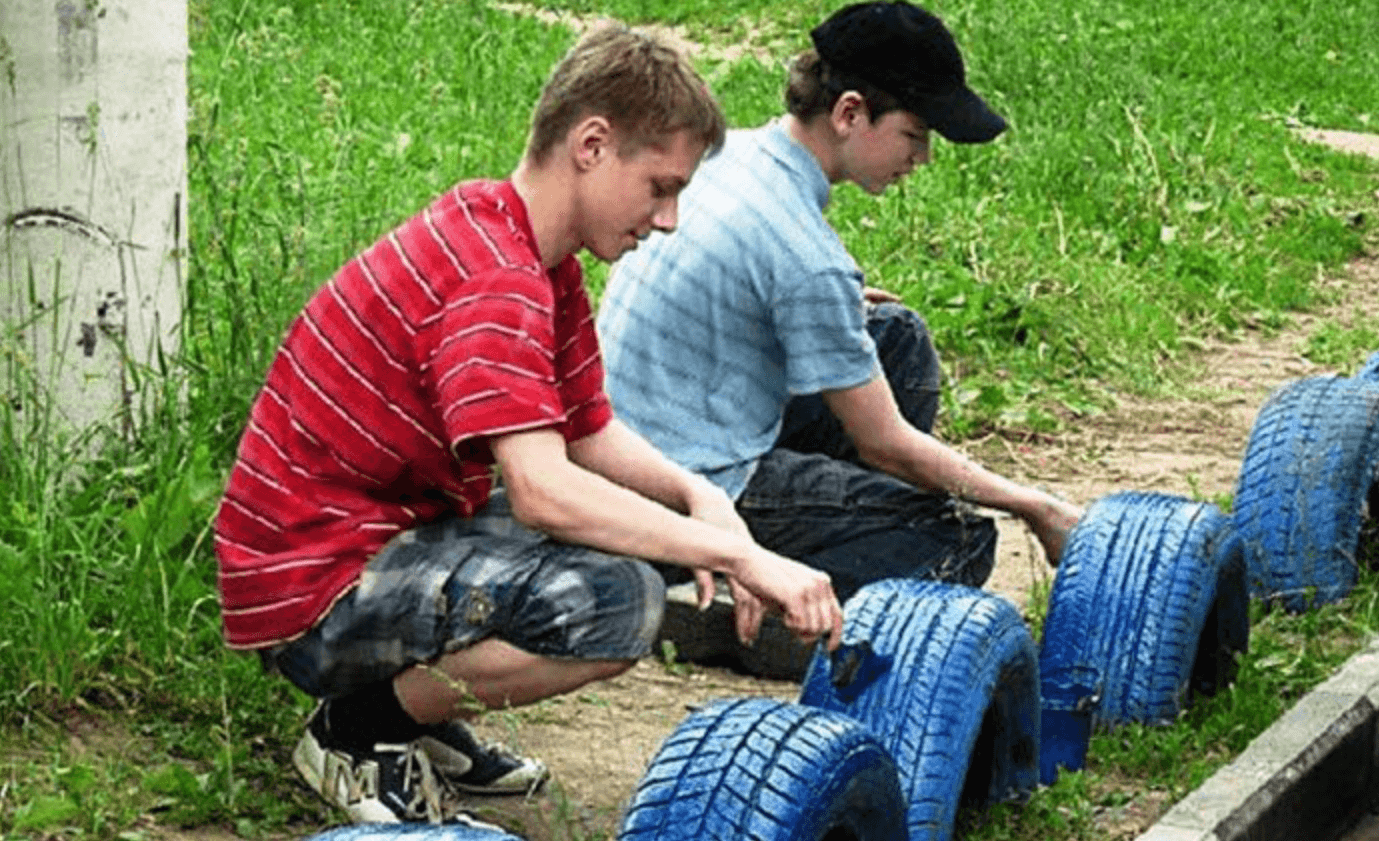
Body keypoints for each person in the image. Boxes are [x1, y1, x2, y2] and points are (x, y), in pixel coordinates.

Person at [213, 25, 843, 828]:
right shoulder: (498, 280)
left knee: (630, 536)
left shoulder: (526, 246)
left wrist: (697, 498)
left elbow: (585, 433)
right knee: (616, 601)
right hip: (313, 591)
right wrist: (738, 555)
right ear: (591, 145)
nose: (668, 218)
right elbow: (543, 491)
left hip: (368, 539)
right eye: (659, 187)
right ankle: (360, 728)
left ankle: (420, 710)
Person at [597, 1, 1083, 629]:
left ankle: (812, 535)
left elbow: (739, 279)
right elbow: (889, 445)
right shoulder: (806, 255)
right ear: (850, 112)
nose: (923, 159)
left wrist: (825, 310)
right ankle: (732, 597)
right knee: (956, 537)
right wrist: (1036, 506)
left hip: (627, 435)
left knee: (895, 337)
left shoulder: (727, 154)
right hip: (693, 482)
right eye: (915, 135)